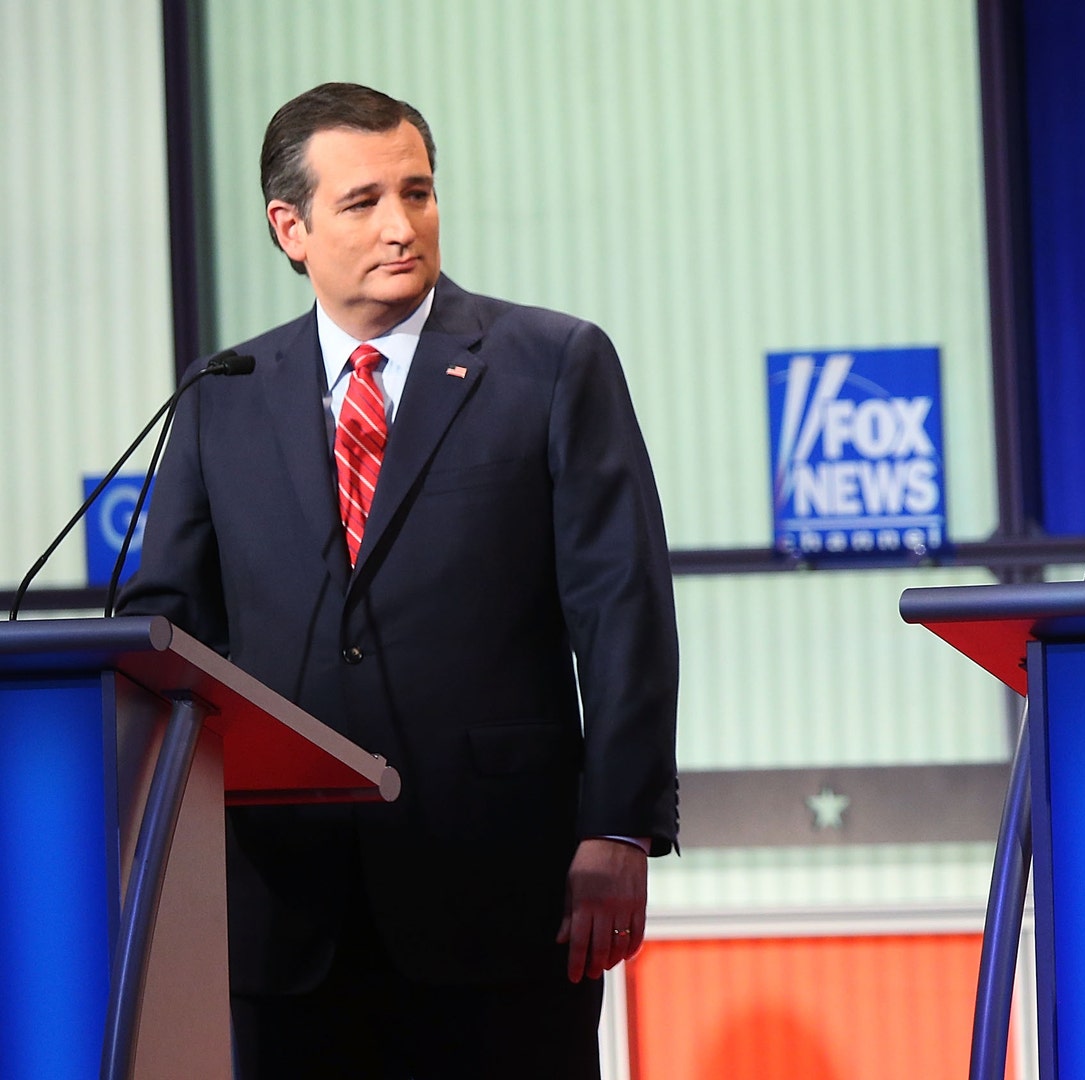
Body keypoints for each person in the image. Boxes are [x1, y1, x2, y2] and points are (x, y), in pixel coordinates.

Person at [120, 82, 678, 1079]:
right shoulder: (220, 395)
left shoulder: (552, 364)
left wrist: (618, 825)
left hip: (499, 891)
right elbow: (169, 626)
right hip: (283, 906)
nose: (401, 225)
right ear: (290, 228)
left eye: (417, 192)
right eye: (364, 201)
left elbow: (623, 610)